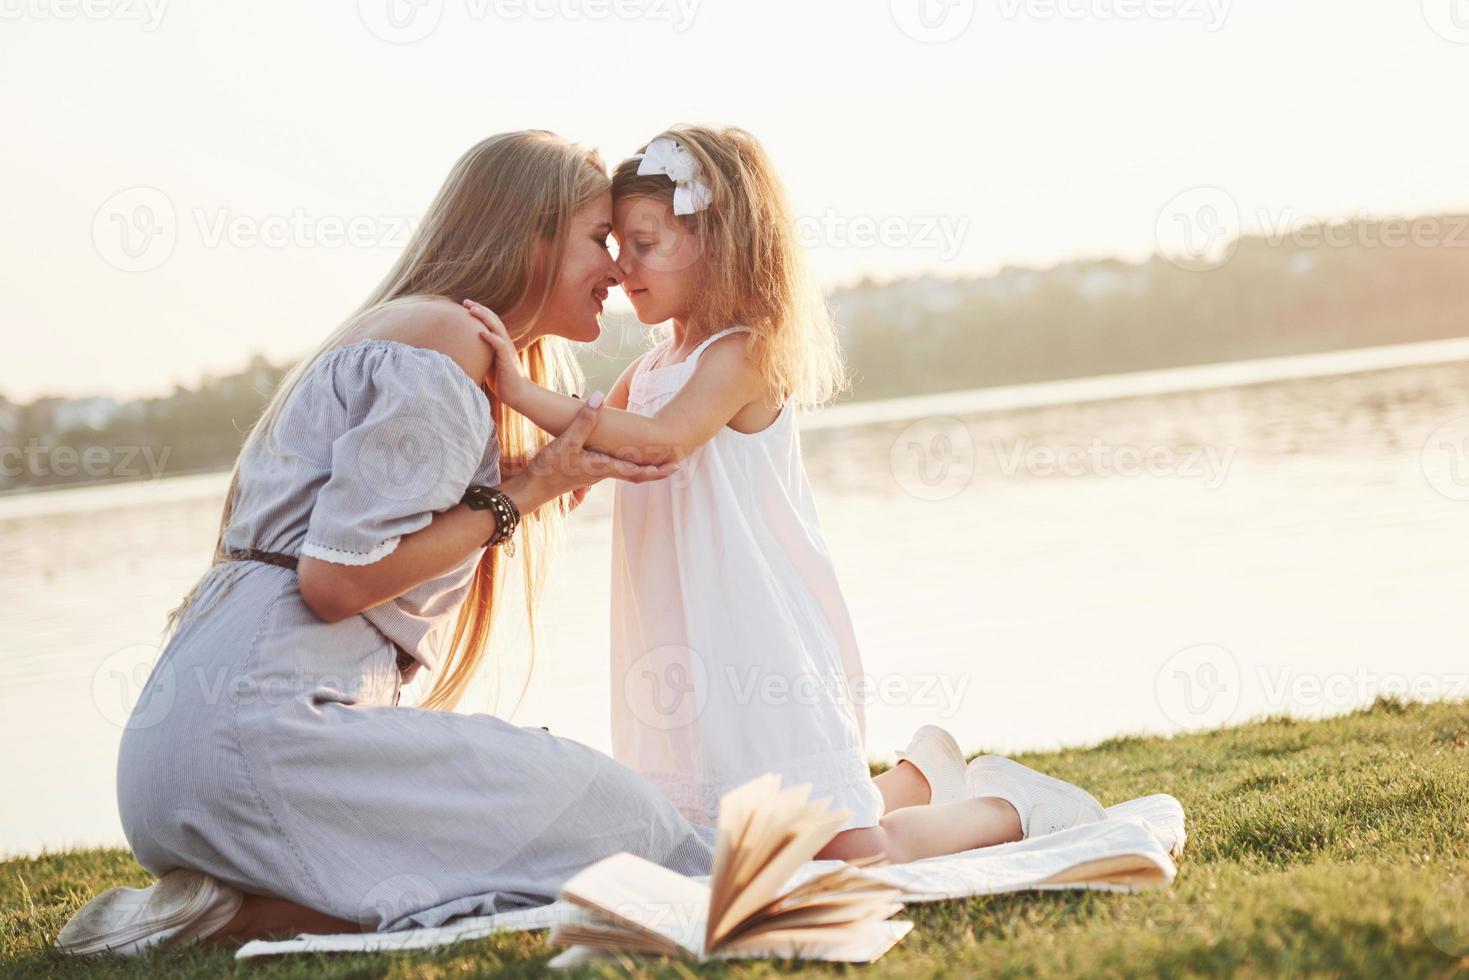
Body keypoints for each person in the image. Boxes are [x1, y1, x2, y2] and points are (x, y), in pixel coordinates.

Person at [465, 124, 1108, 868]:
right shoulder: (647, 370)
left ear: (716, 242)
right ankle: (921, 774)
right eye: (615, 245)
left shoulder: (742, 351)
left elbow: (662, 440)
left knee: (842, 855)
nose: (621, 265)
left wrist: (520, 387)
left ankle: (1007, 805)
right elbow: (589, 459)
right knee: (725, 847)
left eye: (644, 243)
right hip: (680, 645)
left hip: (754, 634)